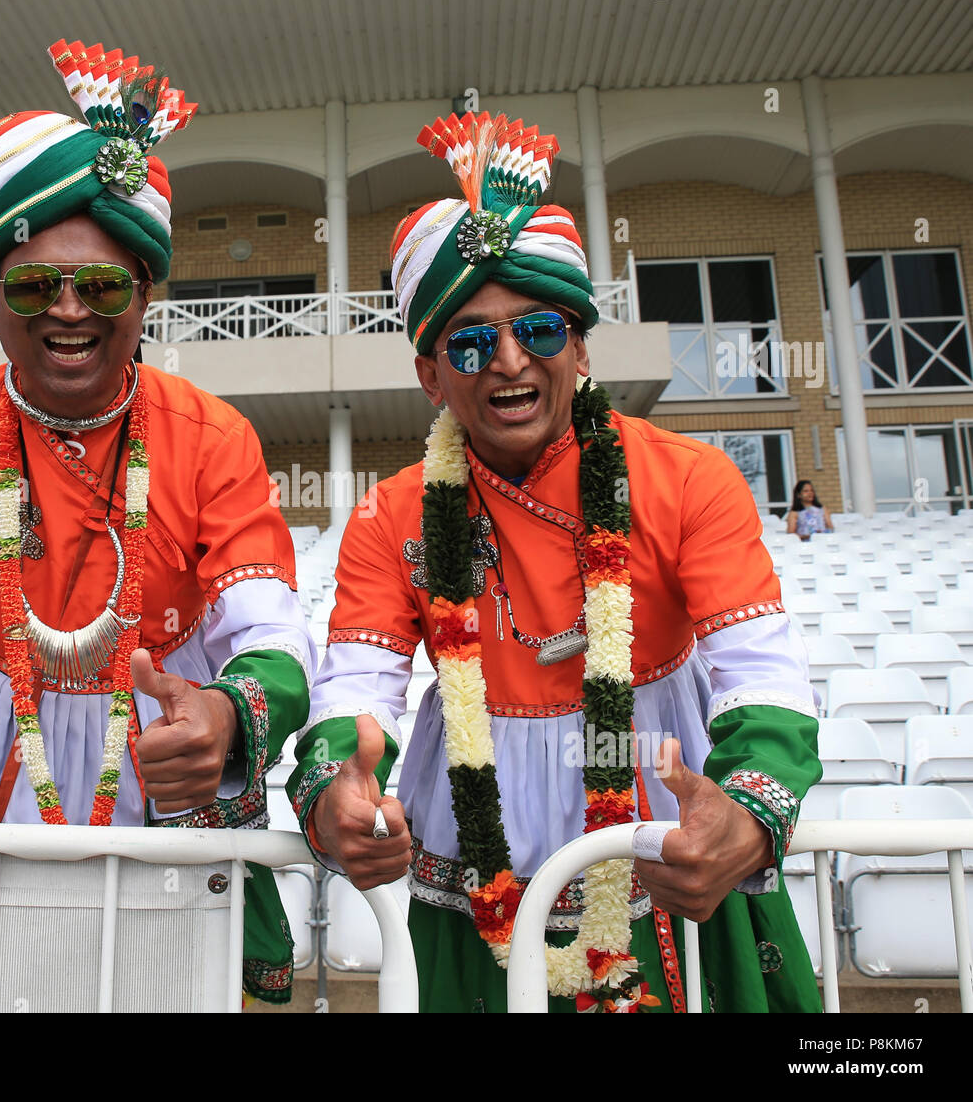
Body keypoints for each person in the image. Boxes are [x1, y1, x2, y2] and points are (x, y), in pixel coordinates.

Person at [0, 40, 315, 1005]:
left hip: (167, 804)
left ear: (147, 292)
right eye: (36, 285)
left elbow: (271, 634)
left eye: (104, 285)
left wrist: (228, 711)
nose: (70, 310)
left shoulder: (215, 437)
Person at [289, 113, 823, 1013]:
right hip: (472, 858)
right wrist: (335, 788)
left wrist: (748, 808)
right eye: (468, 342)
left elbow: (760, 670)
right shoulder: (389, 513)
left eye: (536, 329)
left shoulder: (688, 477)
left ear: (580, 345)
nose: (506, 362)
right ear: (430, 377)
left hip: (662, 831)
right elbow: (356, 690)